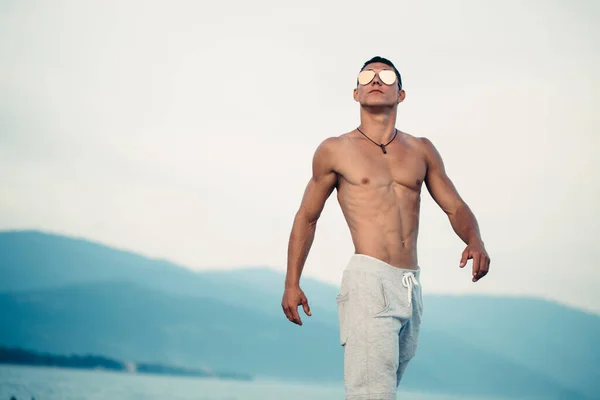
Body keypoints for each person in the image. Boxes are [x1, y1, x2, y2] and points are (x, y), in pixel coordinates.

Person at [281, 56, 490, 399]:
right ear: (355, 93)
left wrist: (475, 239)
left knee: (385, 388)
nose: (376, 80)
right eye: (367, 75)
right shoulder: (335, 149)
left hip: (410, 285)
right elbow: (307, 216)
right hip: (369, 280)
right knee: (372, 393)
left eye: (386, 75)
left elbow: (455, 206)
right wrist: (292, 283)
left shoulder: (422, 149)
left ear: (401, 94)